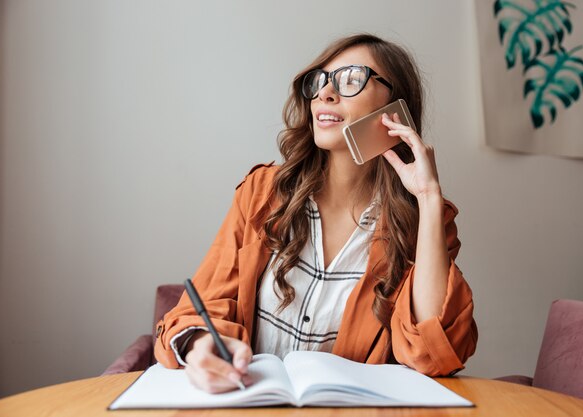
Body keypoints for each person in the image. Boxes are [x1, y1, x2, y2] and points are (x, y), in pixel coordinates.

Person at [154, 33, 478, 393]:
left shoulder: (423, 221)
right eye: (320, 81)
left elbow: (435, 355)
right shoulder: (262, 193)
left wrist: (428, 197)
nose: (325, 93)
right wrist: (201, 348)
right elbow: (198, 311)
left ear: (395, 107)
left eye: (352, 79)